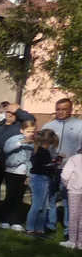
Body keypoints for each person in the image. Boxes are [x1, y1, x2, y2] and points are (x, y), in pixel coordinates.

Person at [43, 98, 82, 240]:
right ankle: (50, 225)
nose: (60, 112)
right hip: (51, 168)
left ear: (71, 110)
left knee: (68, 199)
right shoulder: (49, 125)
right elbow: (41, 145)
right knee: (50, 197)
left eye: (63, 109)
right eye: (58, 109)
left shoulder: (79, 126)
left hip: (71, 169)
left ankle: (68, 229)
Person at [0, 103, 36, 218]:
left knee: (11, 193)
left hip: (11, 164)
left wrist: (17, 110)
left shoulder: (19, 126)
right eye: (8, 111)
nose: (10, 114)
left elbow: (31, 120)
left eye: (13, 112)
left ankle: (9, 215)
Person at [0, 120, 36, 232]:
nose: (30, 134)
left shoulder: (33, 143)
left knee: (19, 197)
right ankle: (5, 220)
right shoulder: (14, 139)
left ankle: (16, 221)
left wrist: (29, 175)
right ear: (22, 130)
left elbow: (31, 160)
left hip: (23, 173)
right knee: (10, 195)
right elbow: (6, 149)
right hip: (11, 171)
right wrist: (21, 143)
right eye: (28, 131)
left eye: (33, 132)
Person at [25, 129, 59, 238]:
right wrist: (58, 160)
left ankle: (39, 230)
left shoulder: (39, 150)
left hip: (41, 179)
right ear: (51, 141)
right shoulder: (42, 152)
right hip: (40, 179)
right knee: (37, 206)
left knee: (44, 207)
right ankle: (30, 229)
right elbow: (47, 167)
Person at [60, 151, 82, 249]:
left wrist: (66, 184)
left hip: (74, 189)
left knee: (73, 215)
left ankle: (72, 241)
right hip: (75, 189)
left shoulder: (74, 158)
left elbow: (65, 174)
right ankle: (80, 242)